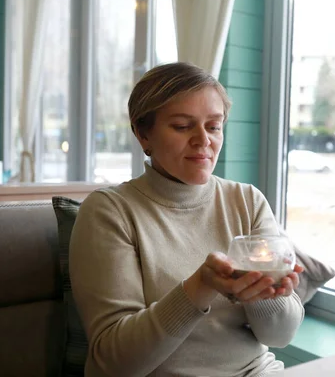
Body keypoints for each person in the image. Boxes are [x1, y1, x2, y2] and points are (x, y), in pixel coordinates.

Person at [69, 62, 305, 377]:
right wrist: (201, 286)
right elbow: (115, 364)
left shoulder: (247, 201)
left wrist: (265, 294)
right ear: (143, 134)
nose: (202, 140)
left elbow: (280, 337)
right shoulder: (110, 212)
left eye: (214, 125)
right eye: (182, 126)